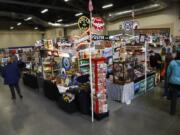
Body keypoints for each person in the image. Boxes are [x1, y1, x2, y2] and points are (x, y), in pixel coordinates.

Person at [167, 51, 180, 115]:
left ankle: (172, 112)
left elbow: (168, 72)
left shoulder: (172, 62)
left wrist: (168, 78)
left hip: (173, 81)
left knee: (174, 97)